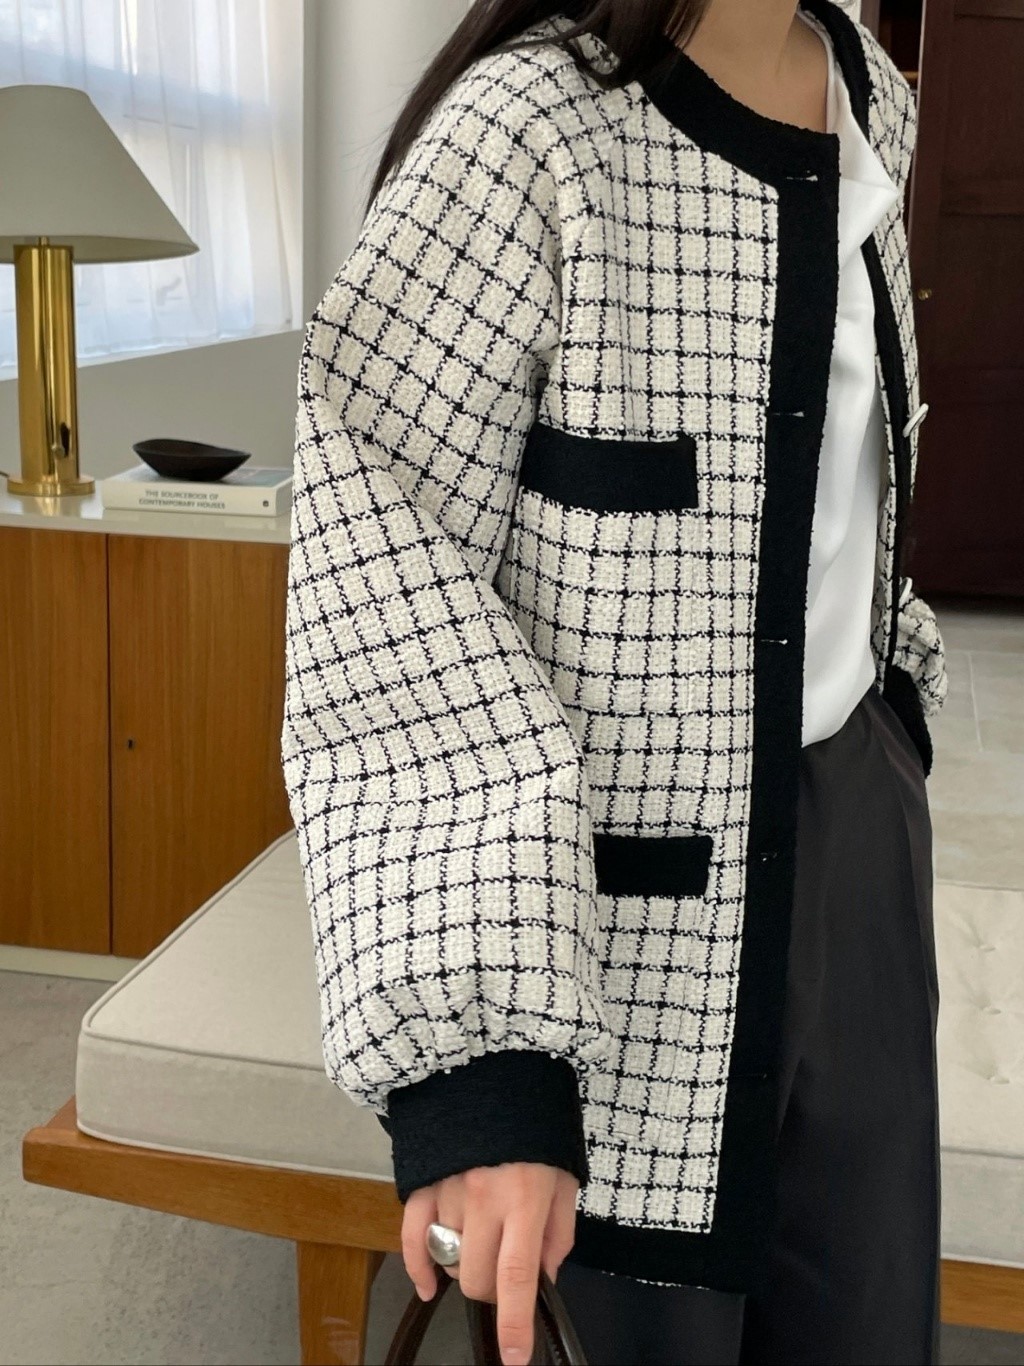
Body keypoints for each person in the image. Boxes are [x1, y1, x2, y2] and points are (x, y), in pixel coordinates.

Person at [280, 1, 949, 1362]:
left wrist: (894, 726)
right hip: (612, 941)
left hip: (860, 866)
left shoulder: (872, 90)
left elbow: (848, 493)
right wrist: (484, 1067)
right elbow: (381, 590)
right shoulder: (526, 129)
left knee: (867, 1315)